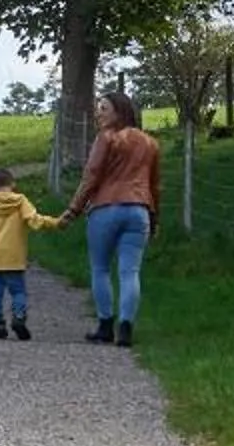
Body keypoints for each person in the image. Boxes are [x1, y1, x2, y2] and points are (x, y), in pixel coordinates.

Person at [60, 91, 161, 346]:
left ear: (119, 111)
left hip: (106, 208)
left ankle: (105, 325)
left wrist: (73, 209)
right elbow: (155, 184)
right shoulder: (150, 143)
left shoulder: (106, 138)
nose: (98, 113)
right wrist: (154, 217)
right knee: (130, 271)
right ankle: (126, 328)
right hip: (138, 210)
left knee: (101, 268)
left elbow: (91, 176)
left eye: (103, 108)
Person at [0, 167, 65, 342]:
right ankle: (18, 317)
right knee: (18, 292)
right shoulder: (20, 201)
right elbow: (34, 220)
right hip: (14, 256)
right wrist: (55, 222)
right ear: (13, 184)